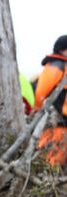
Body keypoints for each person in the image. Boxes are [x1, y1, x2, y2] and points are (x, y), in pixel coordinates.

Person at [34, 35, 67, 168]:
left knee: (59, 162)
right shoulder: (56, 66)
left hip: (63, 123)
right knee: (51, 162)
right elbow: (41, 93)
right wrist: (37, 110)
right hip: (56, 122)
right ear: (63, 49)